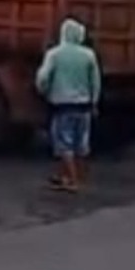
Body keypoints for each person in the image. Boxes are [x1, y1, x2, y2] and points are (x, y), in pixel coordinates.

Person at [35, 18, 101, 193]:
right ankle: (73, 177)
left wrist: (44, 91)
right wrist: (94, 102)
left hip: (62, 105)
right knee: (82, 144)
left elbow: (43, 78)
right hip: (84, 105)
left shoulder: (54, 54)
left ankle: (71, 181)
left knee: (64, 144)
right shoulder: (89, 55)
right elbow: (95, 82)